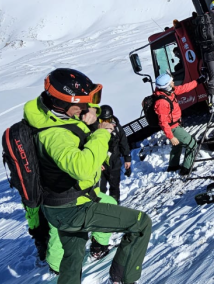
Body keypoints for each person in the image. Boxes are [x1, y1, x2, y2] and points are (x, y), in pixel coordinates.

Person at [27, 68, 151, 284]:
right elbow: (82, 168)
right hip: (73, 208)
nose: (89, 106)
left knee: (73, 259)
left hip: (59, 205)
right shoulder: (55, 136)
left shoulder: (51, 115)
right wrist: (101, 132)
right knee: (141, 224)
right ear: (68, 104)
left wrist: (89, 115)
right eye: (85, 102)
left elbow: (77, 115)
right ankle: (124, 279)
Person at [153, 73, 204, 175]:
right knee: (192, 145)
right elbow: (163, 122)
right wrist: (171, 137)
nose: (173, 82)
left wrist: (198, 81)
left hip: (176, 124)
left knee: (177, 146)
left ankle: (173, 166)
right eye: (171, 82)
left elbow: (184, 88)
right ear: (167, 86)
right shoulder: (162, 102)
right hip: (173, 128)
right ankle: (186, 169)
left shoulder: (169, 92)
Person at [98, 105, 132, 204]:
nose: (104, 123)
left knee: (114, 187)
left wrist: (127, 158)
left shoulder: (116, 128)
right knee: (100, 189)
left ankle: (115, 205)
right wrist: (96, 162)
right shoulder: (95, 129)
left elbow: (123, 142)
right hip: (101, 164)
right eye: (102, 120)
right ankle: (101, 208)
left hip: (114, 162)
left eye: (107, 120)